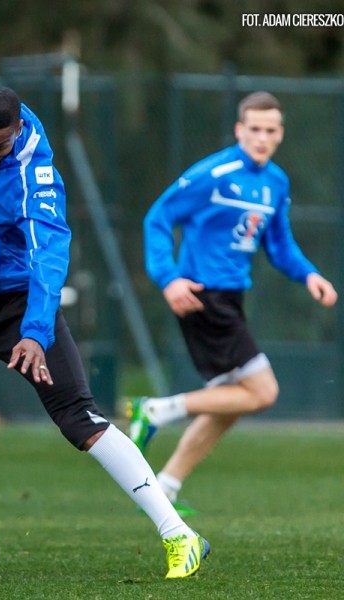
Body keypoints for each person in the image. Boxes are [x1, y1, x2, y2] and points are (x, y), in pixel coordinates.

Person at [0, 22, 209, 580]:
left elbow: (49, 254)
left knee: (81, 419)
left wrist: (34, 331)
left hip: (13, 308)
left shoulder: (34, 173)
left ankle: (180, 535)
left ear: (17, 132)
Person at [128, 91, 338, 514]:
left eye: (270, 130)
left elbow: (279, 244)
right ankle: (155, 410)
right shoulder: (214, 173)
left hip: (231, 297)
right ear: (239, 130)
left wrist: (309, 274)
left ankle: (165, 488)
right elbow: (157, 217)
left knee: (230, 403)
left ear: (280, 133)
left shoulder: (276, 182)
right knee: (263, 392)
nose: (262, 137)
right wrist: (169, 279)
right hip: (203, 296)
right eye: (254, 129)